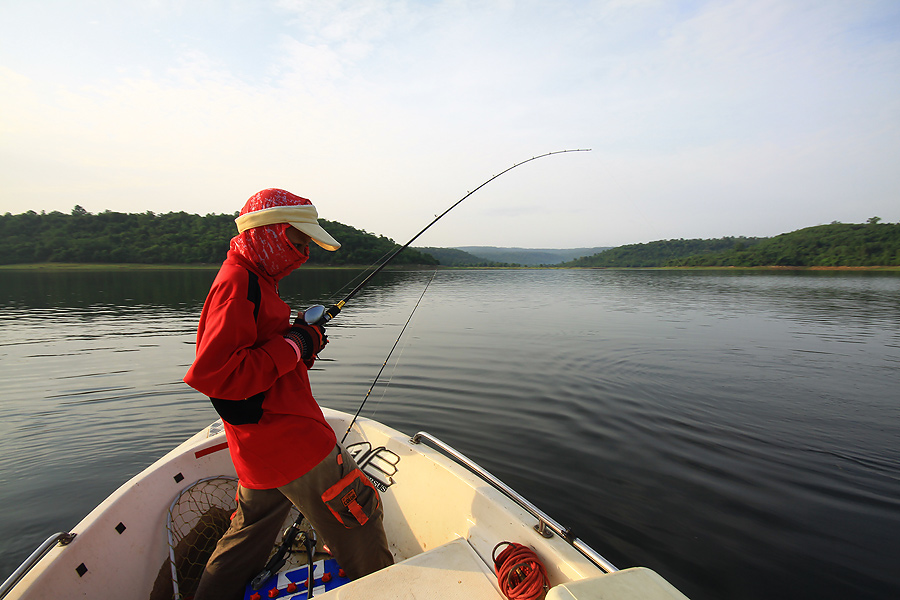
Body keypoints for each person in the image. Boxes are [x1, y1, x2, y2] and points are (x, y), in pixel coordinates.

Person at [184, 189, 393, 600]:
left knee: (248, 538)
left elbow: (261, 366)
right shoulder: (238, 284)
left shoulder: (257, 281)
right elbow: (220, 378)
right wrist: (295, 343)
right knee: (361, 519)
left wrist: (302, 344)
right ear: (270, 234)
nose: (303, 256)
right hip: (291, 441)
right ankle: (389, 591)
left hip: (258, 449)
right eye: (297, 244)